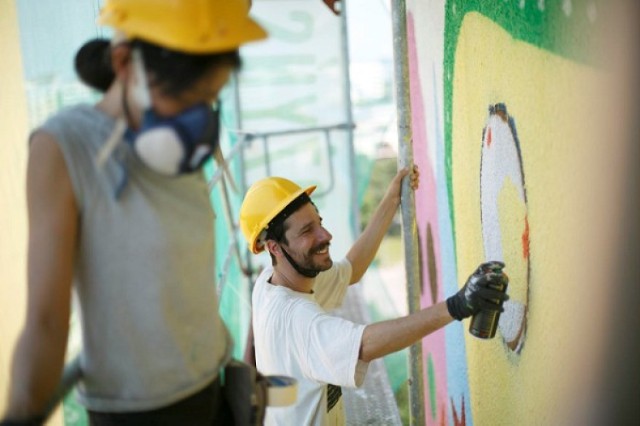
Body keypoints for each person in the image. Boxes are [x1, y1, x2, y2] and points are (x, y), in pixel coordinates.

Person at [2, 0, 267, 424]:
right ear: (125, 63)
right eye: (184, 100)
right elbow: (47, 322)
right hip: (136, 412)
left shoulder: (178, 141)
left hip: (213, 389)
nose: (194, 124)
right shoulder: (67, 147)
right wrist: (20, 413)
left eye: (208, 101)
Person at [238, 169, 509, 425]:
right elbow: (363, 345)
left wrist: (392, 198)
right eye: (307, 231)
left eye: (319, 223)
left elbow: (351, 271)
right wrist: (458, 306)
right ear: (274, 247)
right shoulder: (297, 320)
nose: (325, 235)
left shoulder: (271, 283)